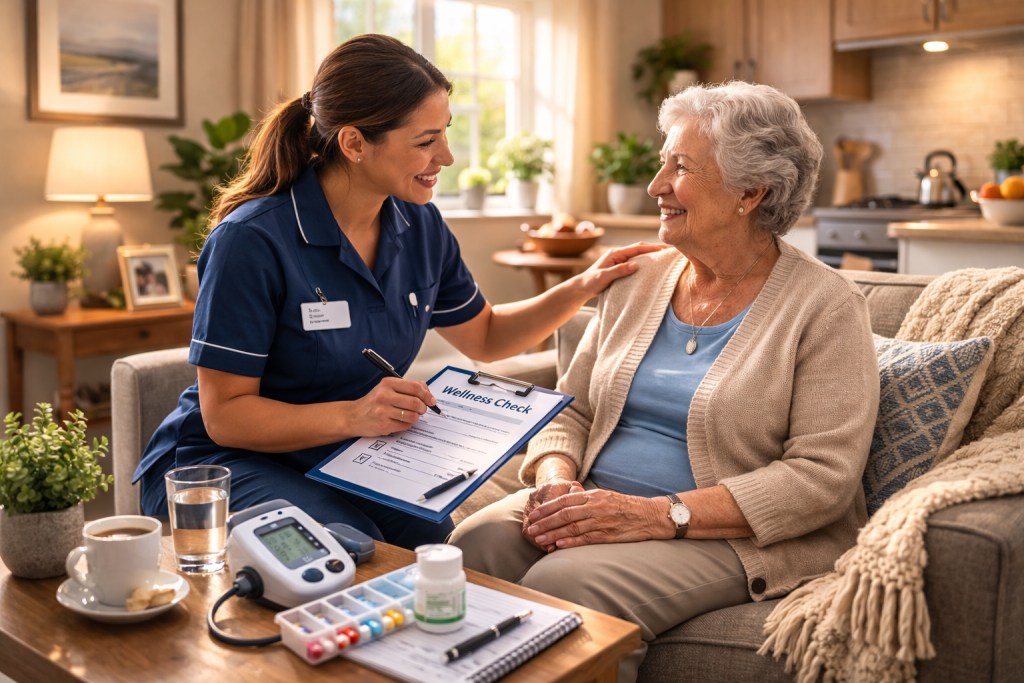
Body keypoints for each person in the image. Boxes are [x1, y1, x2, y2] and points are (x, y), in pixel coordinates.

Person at [133, 34, 661, 550]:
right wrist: (354, 415)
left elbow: (487, 335)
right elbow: (226, 415)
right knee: (350, 549)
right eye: (427, 141)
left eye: (445, 133)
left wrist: (585, 284)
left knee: (441, 547)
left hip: (342, 452)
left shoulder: (420, 225)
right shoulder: (252, 241)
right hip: (223, 464)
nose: (447, 157)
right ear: (354, 143)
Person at [450, 81, 880, 682]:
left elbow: (822, 478)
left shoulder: (827, 306)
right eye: (662, 163)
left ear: (750, 193)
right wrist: (555, 479)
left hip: (726, 535)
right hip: (597, 500)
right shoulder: (639, 278)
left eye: (679, 167)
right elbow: (569, 410)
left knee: (566, 584)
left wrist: (657, 516)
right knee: (476, 542)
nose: (656, 186)